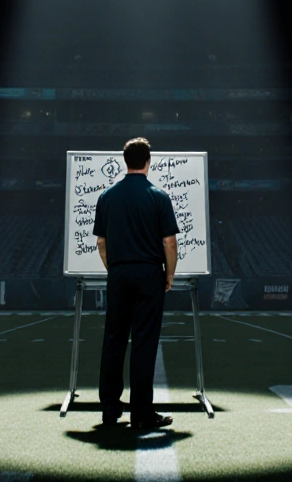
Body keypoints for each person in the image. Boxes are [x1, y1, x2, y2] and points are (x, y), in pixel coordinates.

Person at [93, 137, 179, 431]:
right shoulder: (159, 195)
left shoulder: (106, 196)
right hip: (149, 274)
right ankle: (141, 412)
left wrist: (114, 269)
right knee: (144, 343)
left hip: (118, 275)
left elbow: (101, 244)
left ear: (125, 160)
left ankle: (109, 410)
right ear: (148, 161)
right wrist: (168, 275)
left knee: (113, 340)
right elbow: (169, 242)